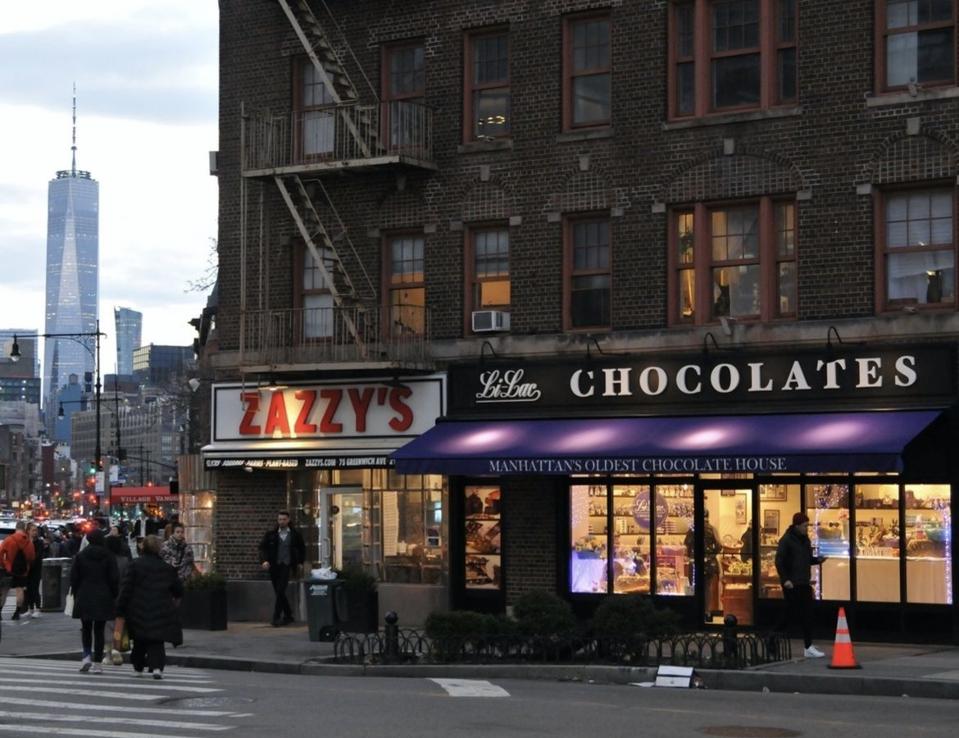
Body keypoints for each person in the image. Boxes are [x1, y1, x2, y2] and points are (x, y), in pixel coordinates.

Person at [115, 534, 183, 680]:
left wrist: (120, 607)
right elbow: (178, 589)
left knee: (139, 639)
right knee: (157, 640)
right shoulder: (167, 568)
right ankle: (157, 667)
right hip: (161, 607)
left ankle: (138, 667)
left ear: (143, 547)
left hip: (137, 607)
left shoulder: (134, 565)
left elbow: (126, 588)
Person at [774, 512, 828, 658]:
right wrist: (785, 579)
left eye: (807, 525)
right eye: (804, 526)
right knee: (788, 615)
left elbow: (807, 559)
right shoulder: (786, 540)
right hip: (792, 584)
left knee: (808, 615)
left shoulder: (805, 540)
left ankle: (808, 646)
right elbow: (779, 561)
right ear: (797, 525)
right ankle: (772, 638)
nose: (806, 528)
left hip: (803, 582)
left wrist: (818, 560)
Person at [70, 528, 119, 673]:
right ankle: (98, 662)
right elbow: (114, 578)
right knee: (99, 630)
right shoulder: (108, 556)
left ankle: (86, 656)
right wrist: (113, 594)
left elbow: (74, 578)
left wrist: (76, 593)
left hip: (84, 595)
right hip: (103, 595)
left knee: (86, 628)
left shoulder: (80, 556)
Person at [258, 511, 305, 627]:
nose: (281, 522)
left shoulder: (295, 534)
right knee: (279, 591)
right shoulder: (271, 534)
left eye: (284, 519)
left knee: (280, 589)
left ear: (288, 520)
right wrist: (264, 560)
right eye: (279, 519)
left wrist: (300, 562)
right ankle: (288, 615)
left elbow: (302, 548)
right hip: (274, 565)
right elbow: (262, 548)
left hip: (287, 564)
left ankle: (276, 617)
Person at [685, 509, 722, 621]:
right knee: (707, 588)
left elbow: (687, 544)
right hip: (709, 564)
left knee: (694, 587)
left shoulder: (692, 529)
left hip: (695, 563)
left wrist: (692, 555)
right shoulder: (712, 529)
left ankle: (695, 613)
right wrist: (710, 555)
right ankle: (707, 613)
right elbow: (719, 546)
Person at [0, 521, 36, 620]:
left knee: (4, 591)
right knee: (19, 590)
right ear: (24, 529)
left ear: (16, 528)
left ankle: (0, 612)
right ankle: (17, 613)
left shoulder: (8, 540)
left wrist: (4, 565)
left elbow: (1, 553)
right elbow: (32, 557)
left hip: (8, 569)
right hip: (22, 570)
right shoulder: (28, 542)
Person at [23, 522, 46, 618]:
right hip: (27, 568)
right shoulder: (25, 541)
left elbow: (37, 556)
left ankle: (37, 608)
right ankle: (30, 608)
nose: (35, 532)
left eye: (36, 530)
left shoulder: (39, 542)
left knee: (34, 588)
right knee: (27, 589)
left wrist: (31, 542)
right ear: (28, 531)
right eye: (33, 530)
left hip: (36, 568)